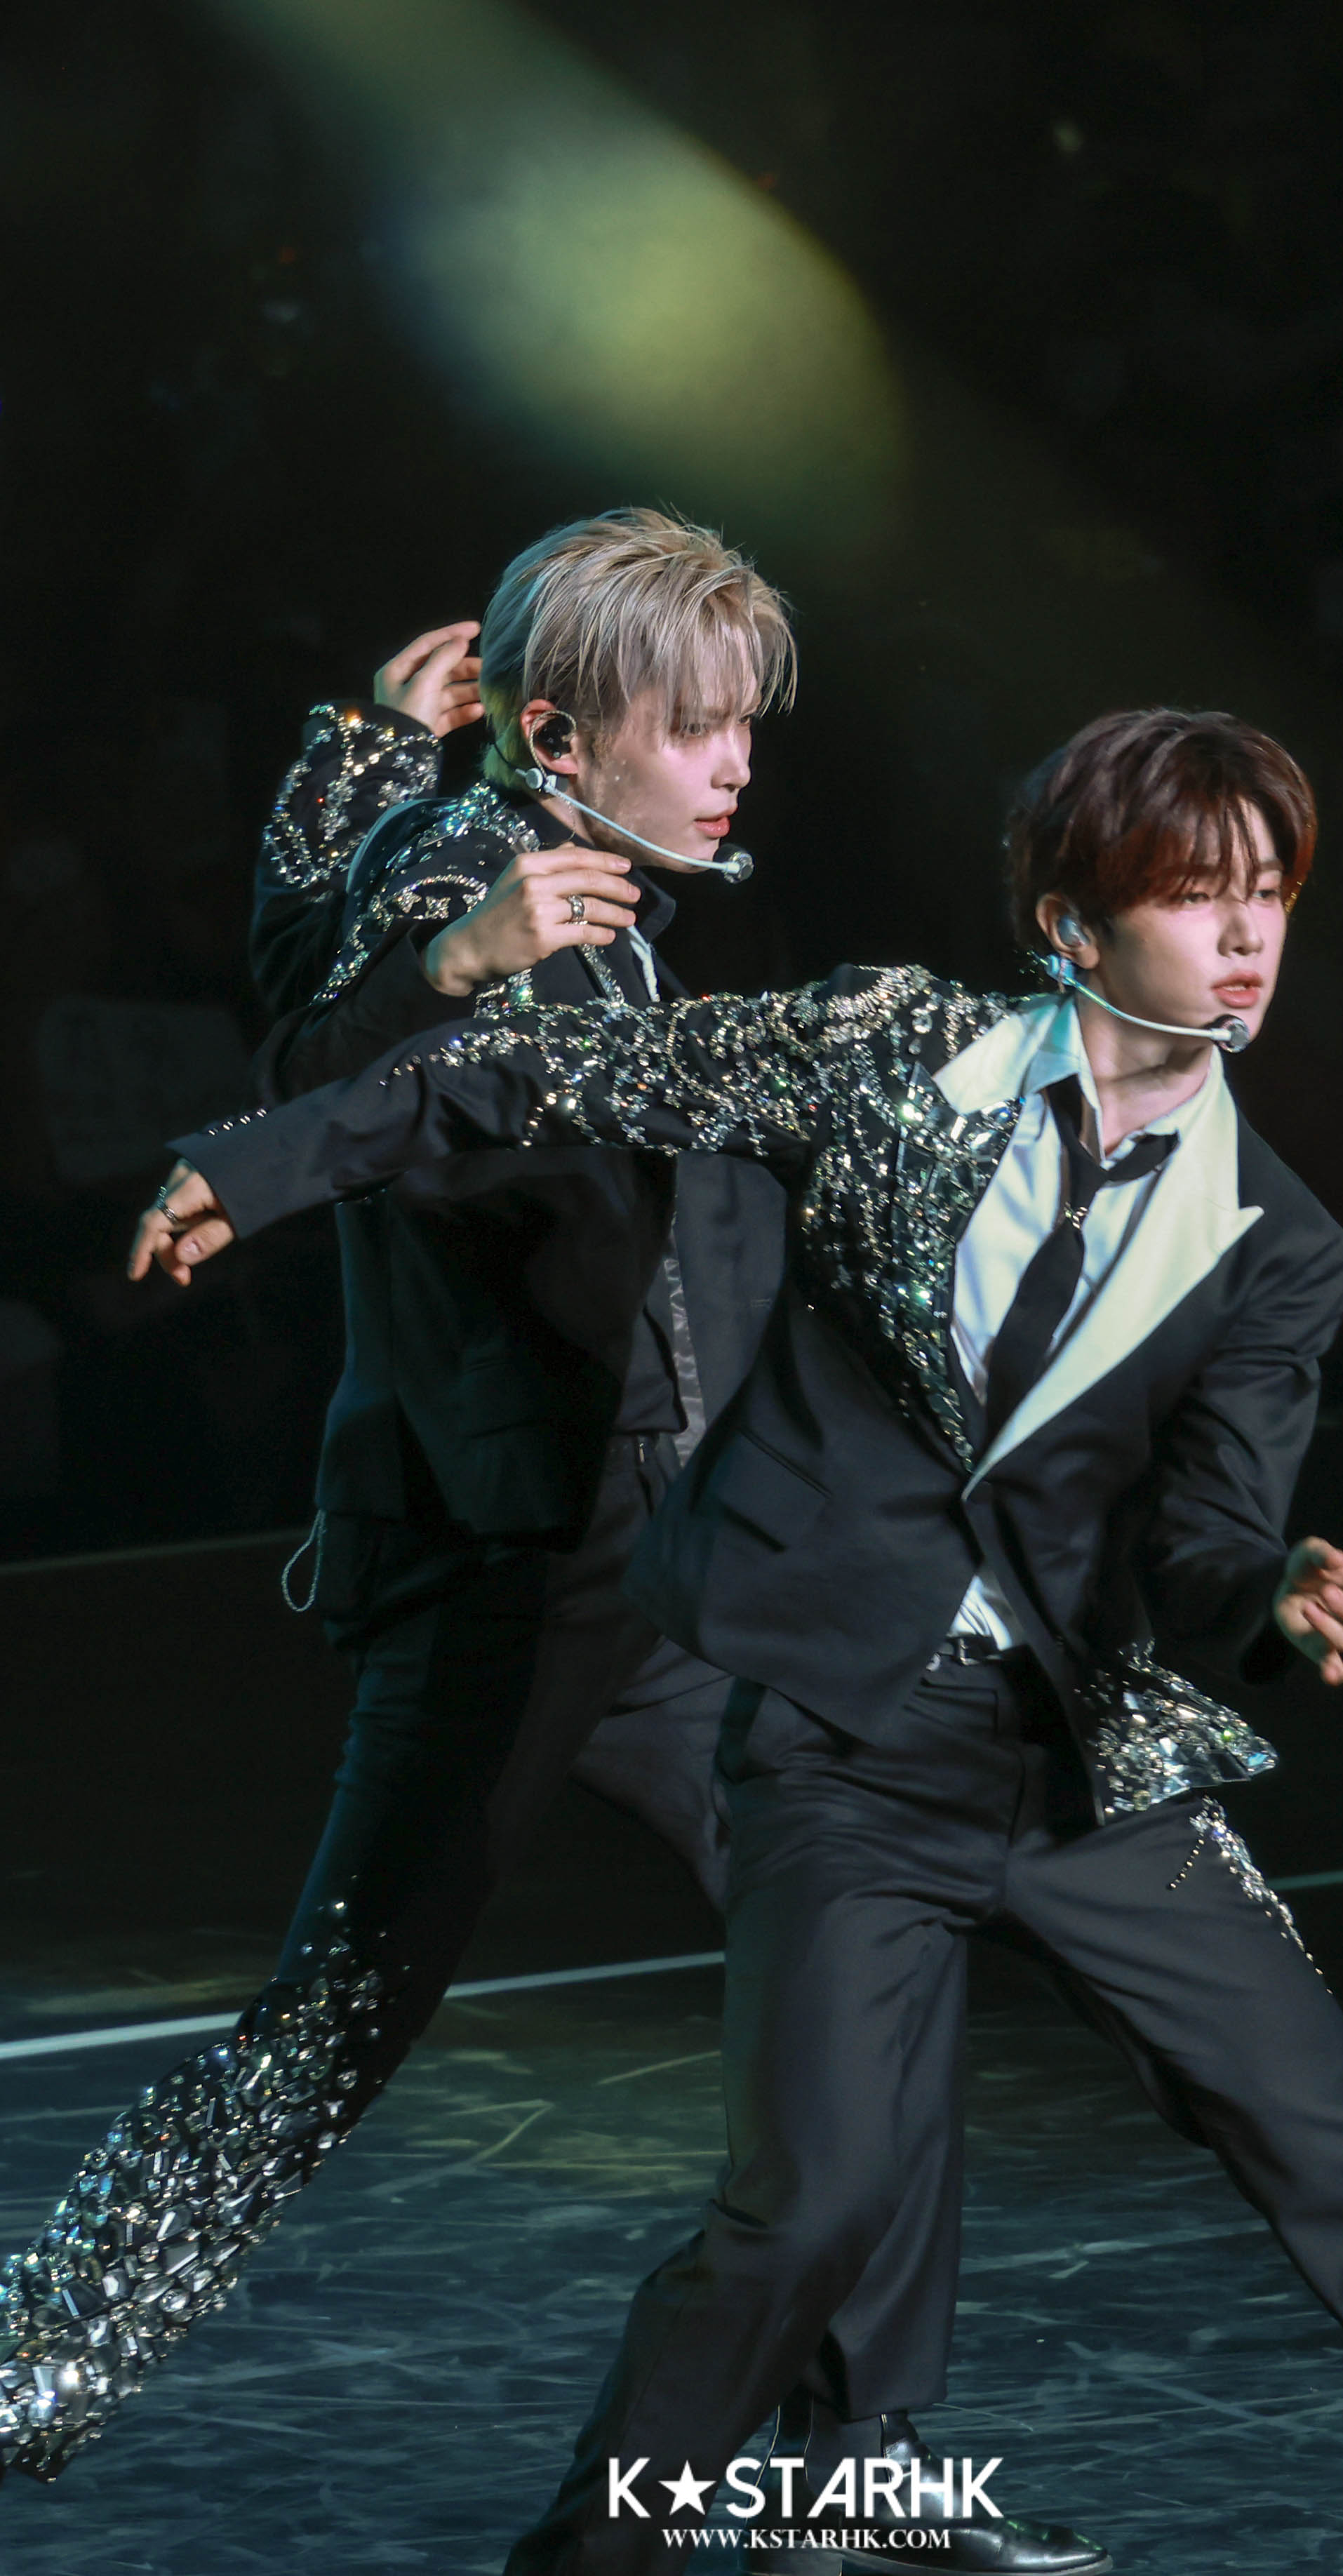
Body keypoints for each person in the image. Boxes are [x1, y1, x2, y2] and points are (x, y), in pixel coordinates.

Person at [135, 705, 1343, 2576]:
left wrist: (1269, 1588)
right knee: (806, 2211)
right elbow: (539, 1076)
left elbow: (1204, 1535)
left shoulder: (1271, 1234)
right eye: (1195, 895)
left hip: (1091, 1775)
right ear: (1072, 924)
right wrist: (267, 1162)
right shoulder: (889, 1048)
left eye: (1271, 897)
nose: (1247, 938)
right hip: (847, 1747)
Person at [2, 515, 1102, 2576]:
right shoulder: (472, 878)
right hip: (525, 1562)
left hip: (677, 1548)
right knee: (341, 2015)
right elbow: (312, 1064)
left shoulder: (553, 868)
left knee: (865, 1971)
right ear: (561, 741)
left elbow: (325, 970)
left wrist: (356, 759)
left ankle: (856, 2464)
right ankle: (34, 2360)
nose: (734, 763)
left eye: (743, 722)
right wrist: (443, 946)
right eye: (690, 725)